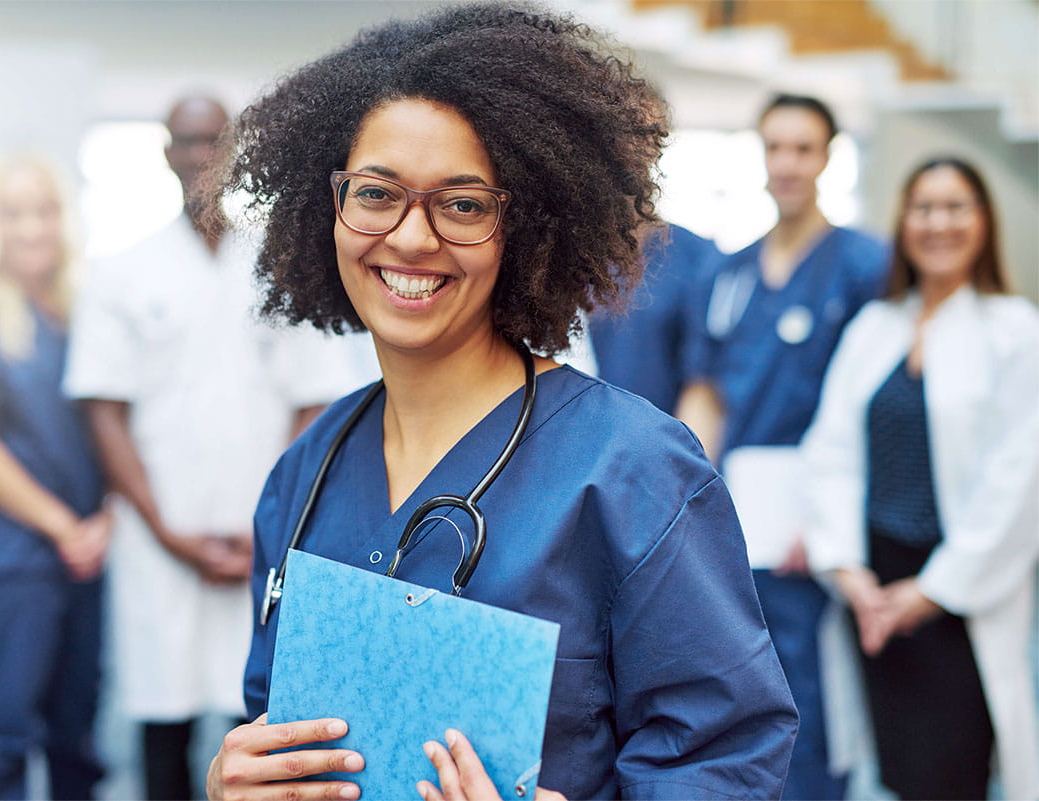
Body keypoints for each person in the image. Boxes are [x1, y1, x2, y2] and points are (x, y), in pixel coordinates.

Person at [203, 6, 798, 800]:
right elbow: (274, 720)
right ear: (329, 209)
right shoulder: (302, 477)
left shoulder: (633, 469)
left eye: (464, 204)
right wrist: (237, 775)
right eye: (377, 193)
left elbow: (730, 763)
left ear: (527, 228)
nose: (412, 239)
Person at [63, 95, 368, 800]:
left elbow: (313, 398)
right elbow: (103, 409)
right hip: (159, 538)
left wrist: (267, 522)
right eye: (186, 140)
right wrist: (170, 532)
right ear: (165, 153)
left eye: (213, 140)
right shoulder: (121, 272)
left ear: (232, 150)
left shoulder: (280, 264)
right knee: (163, 719)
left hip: (260, 540)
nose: (199, 154)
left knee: (259, 719)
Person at [801, 157, 1039, 801]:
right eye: (923, 207)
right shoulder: (875, 327)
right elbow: (832, 450)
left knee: (954, 774)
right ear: (902, 223)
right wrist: (850, 573)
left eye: (956, 206)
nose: (939, 223)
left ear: (985, 221)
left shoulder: (1016, 331)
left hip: (958, 596)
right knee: (895, 774)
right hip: (874, 589)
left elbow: (1019, 480)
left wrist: (930, 593)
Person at [676, 94, 888, 800]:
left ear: (828, 157)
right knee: (738, 671)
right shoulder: (728, 274)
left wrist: (828, 524)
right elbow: (706, 390)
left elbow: (874, 409)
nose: (787, 163)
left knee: (810, 679)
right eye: (775, 147)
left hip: (816, 508)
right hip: (740, 504)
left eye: (804, 148)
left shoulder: (862, 266)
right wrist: (690, 496)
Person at [0, 155, 110, 800]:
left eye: (45, 210)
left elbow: (113, 425)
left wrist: (106, 521)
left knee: (77, 735)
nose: (32, 228)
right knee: (2, 732)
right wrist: (67, 527)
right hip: (9, 559)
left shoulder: (84, 310)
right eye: (14, 213)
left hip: (86, 554)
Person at [589, 223, 723, 414]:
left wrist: (682, 441)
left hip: (671, 428)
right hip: (606, 420)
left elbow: (703, 380)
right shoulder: (589, 256)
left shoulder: (695, 256)